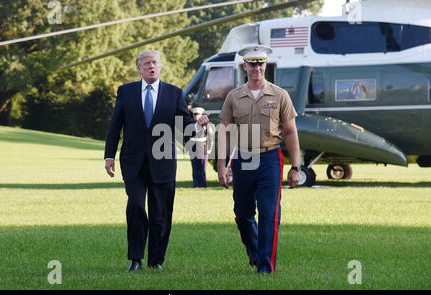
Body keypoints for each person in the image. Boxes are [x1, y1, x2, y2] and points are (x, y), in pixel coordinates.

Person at [104, 50, 209, 272]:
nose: (151, 66)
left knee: (161, 213)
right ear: (139, 68)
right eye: (146, 63)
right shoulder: (126, 92)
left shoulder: (174, 93)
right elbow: (115, 126)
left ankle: (156, 261)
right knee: (135, 207)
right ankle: (135, 259)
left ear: (160, 66)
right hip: (133, 163)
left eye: (155, 63)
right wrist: (109, 155)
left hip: (163, 163)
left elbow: (184, 127)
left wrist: (198, 125)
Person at [217, 45, 300, 274]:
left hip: (270, 158)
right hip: (243, 159)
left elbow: (291, 132)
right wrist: (222, 165)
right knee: (243, 215)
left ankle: (265, 267)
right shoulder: (234, 97)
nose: (256, 68)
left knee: (268, 213)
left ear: (265, 65)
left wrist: (296, 167)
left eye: (260, 63)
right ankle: (255, 252)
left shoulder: (280, 95)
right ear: (245, 66)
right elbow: (224, 131)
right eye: (252, 64)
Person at [187, 107, 214, 188]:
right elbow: (186, 138)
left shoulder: (207, 125)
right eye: (195, 114)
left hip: (203, 149)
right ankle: (196, 184)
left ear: (201, 115)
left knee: (202, 169)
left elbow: (210, 137)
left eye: (198, 114)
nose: (196, 116)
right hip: (193, 149)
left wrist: (209, 149)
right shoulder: (190, 124)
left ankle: (203, 184)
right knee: (195, 169)